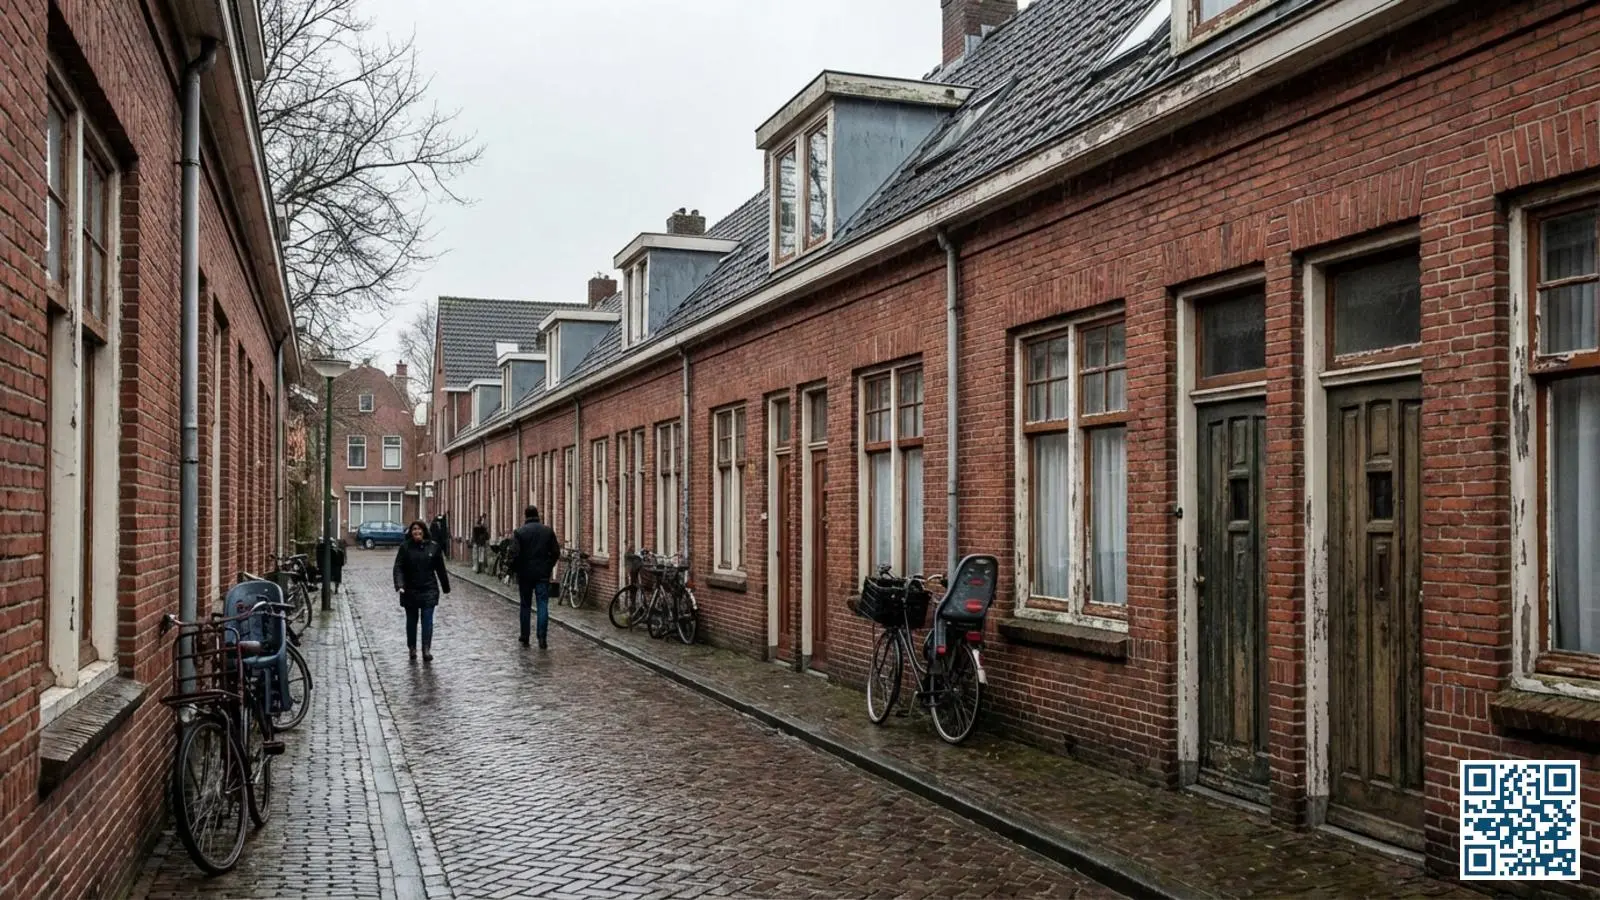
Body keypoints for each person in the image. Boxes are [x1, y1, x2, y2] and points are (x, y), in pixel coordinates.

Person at [393, 520, 451, 662]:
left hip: (429, 590)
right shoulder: (405, 548)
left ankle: (426, 649)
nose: (417, 532)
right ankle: (412, 648)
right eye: (414, 529)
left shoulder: (434, 547)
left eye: (419, 529)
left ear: (424, 531)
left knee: (427, 621)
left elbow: (440, 569)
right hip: (410, 590)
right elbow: (398, 567)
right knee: (411, 621)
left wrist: (445, 587)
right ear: (411, 532)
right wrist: (400, 584)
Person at [511, 505, 560, 649]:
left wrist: (516, 570)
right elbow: (556, 552)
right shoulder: (547, 531)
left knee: (525, 605)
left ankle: (525, 636)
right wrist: (548, 566)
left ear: (525, 516)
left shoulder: (520, 532)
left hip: (525, 575)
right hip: (542, 575)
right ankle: (542, 637)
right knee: (542, 604)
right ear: (538, 515)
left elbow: (514, 554)